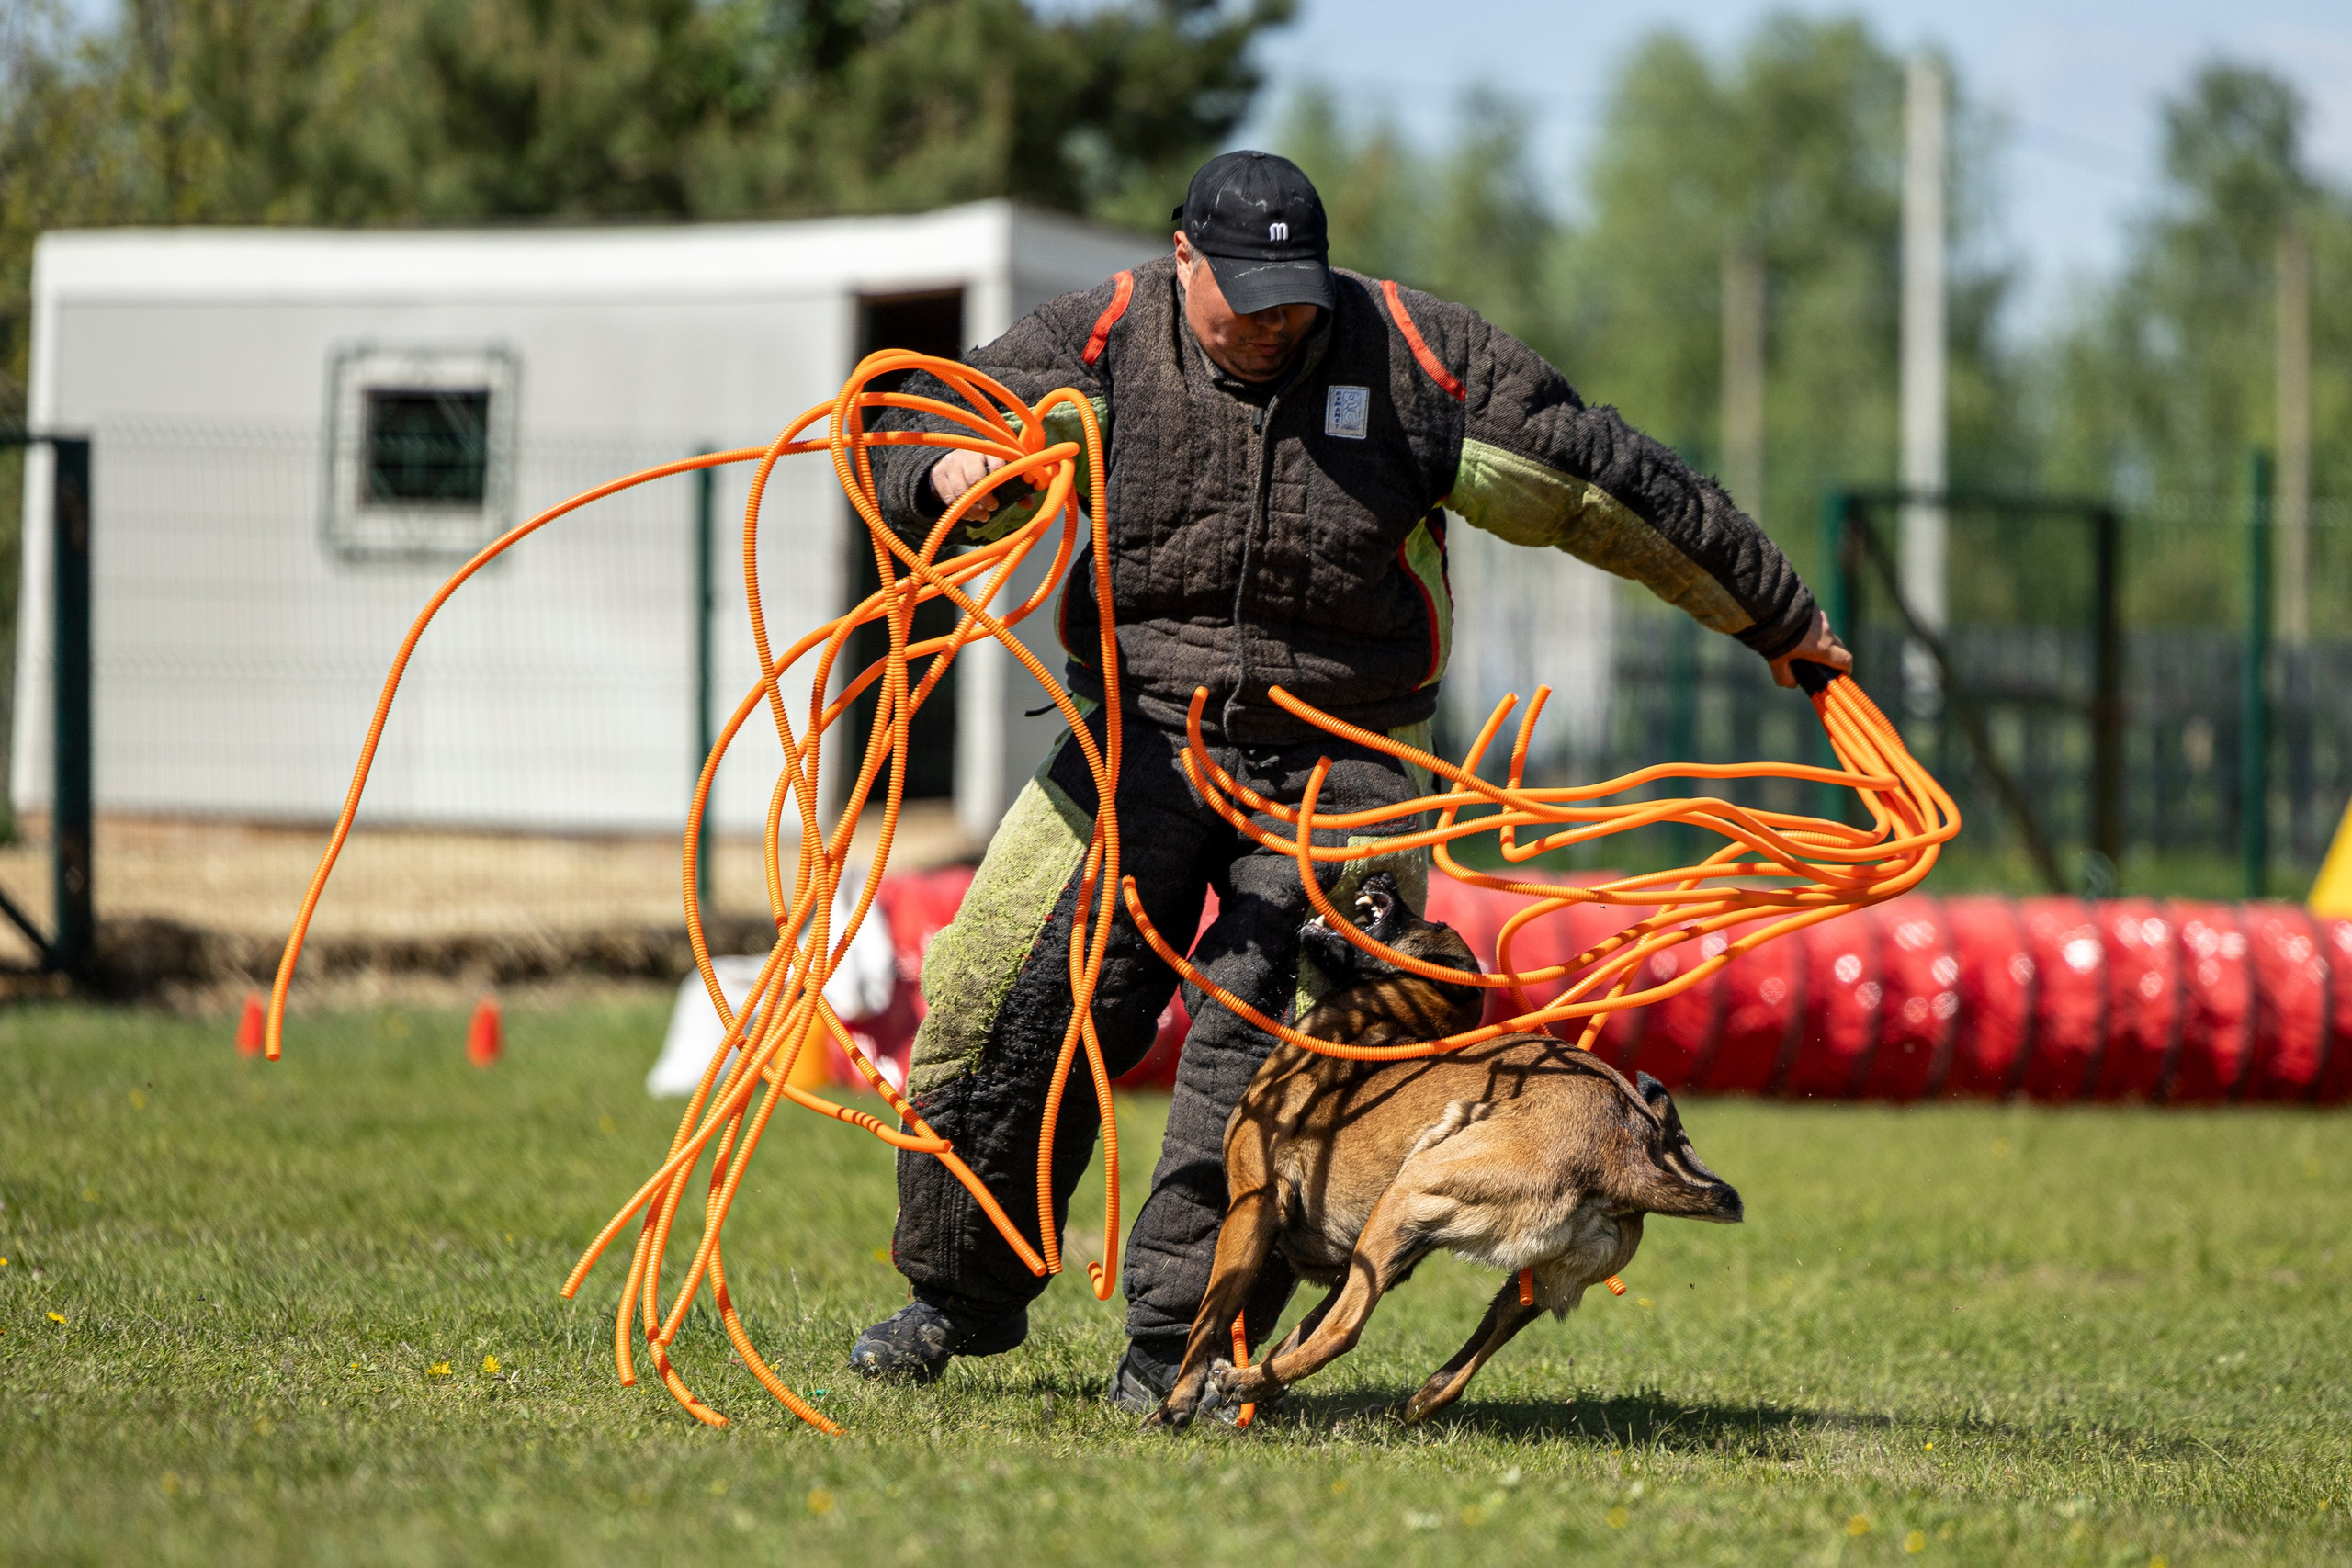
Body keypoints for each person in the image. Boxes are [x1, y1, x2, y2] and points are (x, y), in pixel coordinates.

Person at [847, 150, 1849, 1408]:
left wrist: (1777, 616)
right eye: (1247, 298)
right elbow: (922, 417)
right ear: (1183, 259)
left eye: (1296, 297)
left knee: (1273, 1051)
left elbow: (1607, 482)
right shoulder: (1100, 337)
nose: (1276, 322)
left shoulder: (1417, 358)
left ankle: (1185, 1347)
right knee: (1011, 991)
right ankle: (957, 1294)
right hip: (1134, 738)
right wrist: (947, 475)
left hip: (1354, 759)